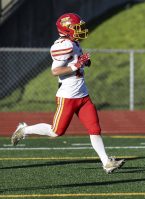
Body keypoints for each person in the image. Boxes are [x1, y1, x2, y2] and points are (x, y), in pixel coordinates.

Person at [11, 13, 124, 174]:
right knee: (56, 132)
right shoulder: (63, 45)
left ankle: (106, 162)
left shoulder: (74, 42)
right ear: (67, 29)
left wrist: (84, 62)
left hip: (83, 95)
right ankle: (24, 130)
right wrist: (76, 65)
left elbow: (78, 62)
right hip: (68, 97)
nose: (80, 30)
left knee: (94, 128)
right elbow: (55, 70)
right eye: (76, 27)